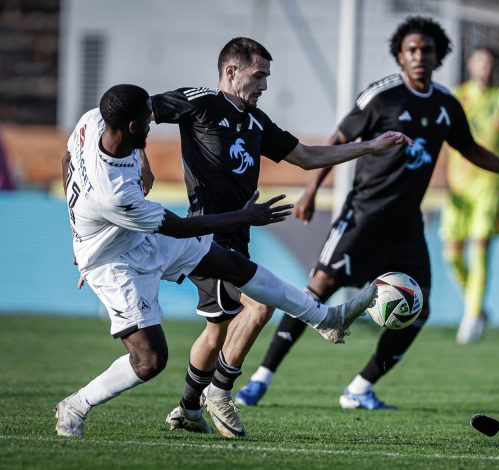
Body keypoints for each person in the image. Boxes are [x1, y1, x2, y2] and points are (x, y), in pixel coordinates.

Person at [235, 16, 499, 410]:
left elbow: (471, 149)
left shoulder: (446, 104)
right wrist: (312, 191)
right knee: (316, 292)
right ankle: (261, 379)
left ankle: (360, 387)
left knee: (420, 307)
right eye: (411, 50)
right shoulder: (382, 96)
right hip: (363, 217)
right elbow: (339, 139)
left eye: (426, 50)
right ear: (400, 55)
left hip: (406, 226)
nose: (419, 56)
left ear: (438, 56)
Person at [54, 84, 388, 438]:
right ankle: (75, 406)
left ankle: (327, 319)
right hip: (115, 262)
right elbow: (181, 228)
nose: (152, 125)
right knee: (149, 360)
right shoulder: (115, 195)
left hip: (135, 235)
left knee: (233, 266)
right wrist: (246, 216)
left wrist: (80, 227)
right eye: (147, 122)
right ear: (132, 127)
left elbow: (66, 160)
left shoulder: (92, 121)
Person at [148, 37, 410, 438]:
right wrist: (139, 161)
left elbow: (306, 156)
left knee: (217, 330)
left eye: (267, 76)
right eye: (259, 75)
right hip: (205, 236)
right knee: (259, 306)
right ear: (231, 71)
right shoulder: (200, 102)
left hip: (237, 236)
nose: (265, 85)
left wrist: (371, 146)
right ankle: (219, 393)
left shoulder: (256, 122)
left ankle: (187, 408)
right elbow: (139, 110)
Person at [440, 47, 499, 344]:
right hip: (457, 187)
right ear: (470, 65)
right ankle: (476, 306)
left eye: (490, 62)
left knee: (479, 246)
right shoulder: (457, 97)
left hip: (489, 185)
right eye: (480, 61)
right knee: (452, 255)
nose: (485, 67)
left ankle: (470, 317)